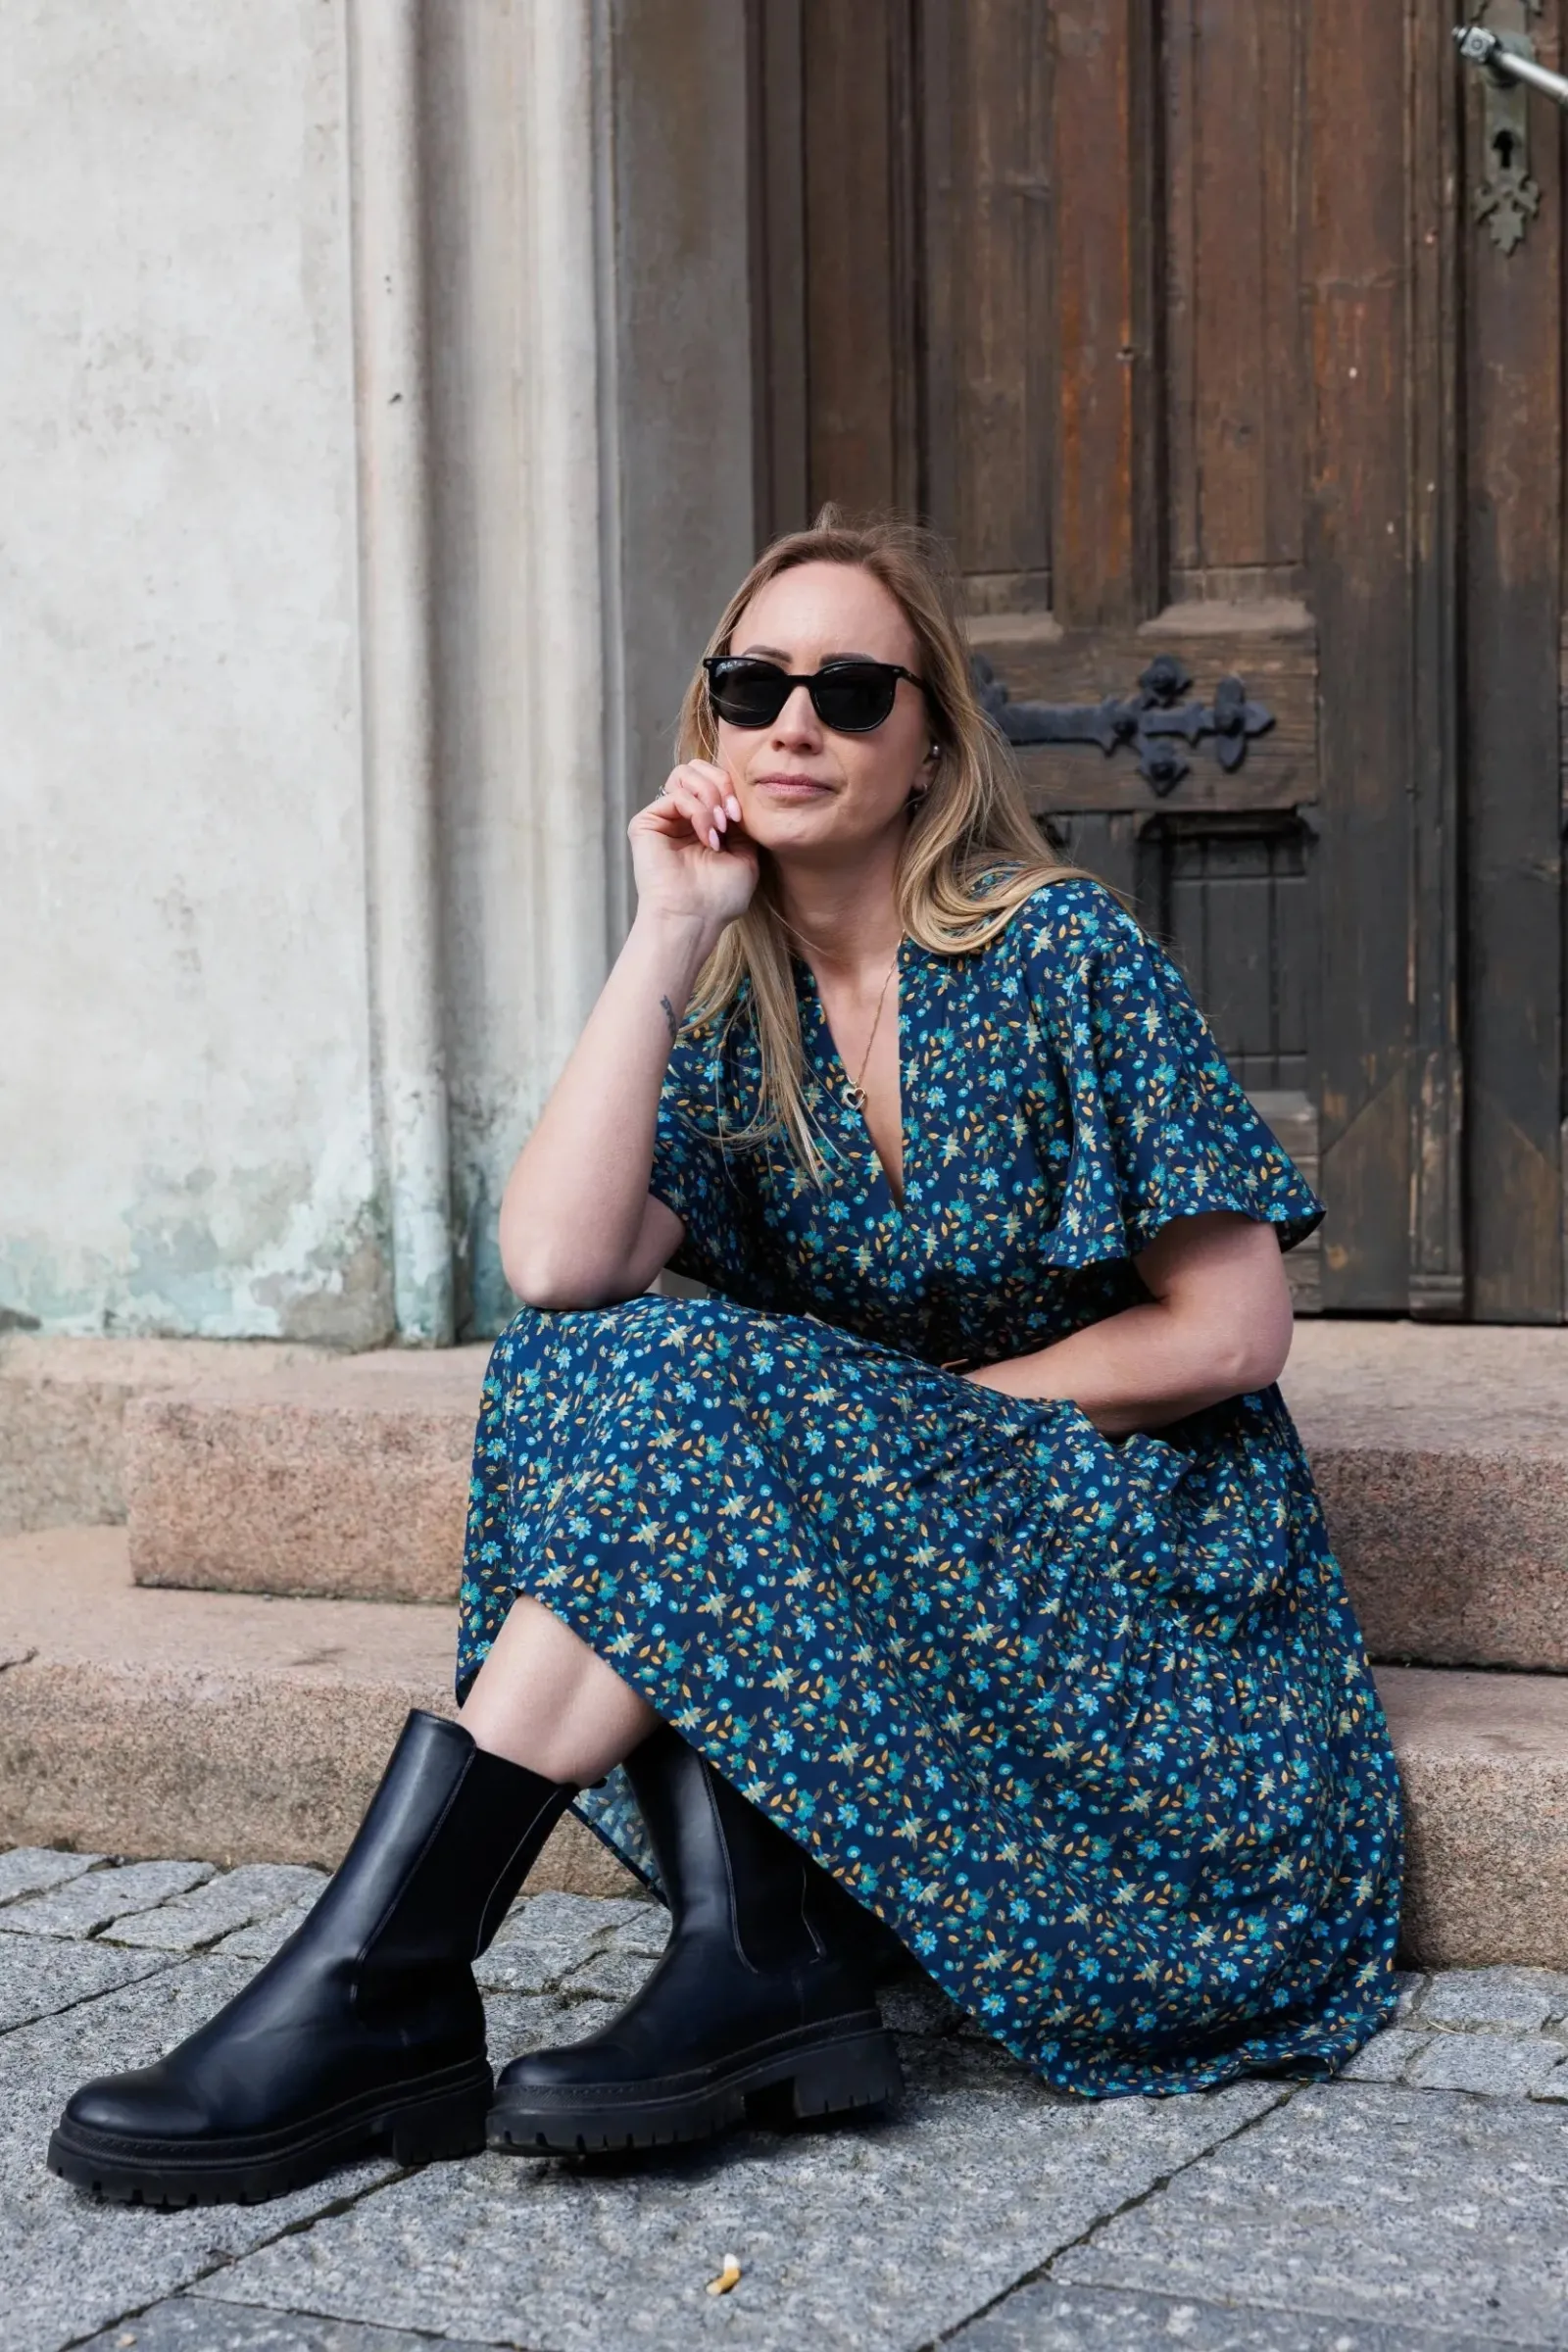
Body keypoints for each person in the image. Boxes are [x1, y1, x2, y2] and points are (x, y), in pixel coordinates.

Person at [49, 508, 1403, 2208]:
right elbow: (557, 1264)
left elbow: (1233, 1329)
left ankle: (400, 1986)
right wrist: (667, 930)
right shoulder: (729, 1012)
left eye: (851, 691)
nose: (795, 724)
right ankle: (702, 1961)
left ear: (930, 746)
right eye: (755, 687)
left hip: (1129, 1566)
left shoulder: (1059, 958)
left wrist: (892, 1433)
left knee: (706, 1403)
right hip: (904, 1565)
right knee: (593, 1361)